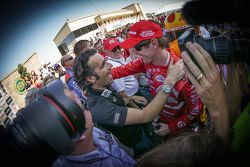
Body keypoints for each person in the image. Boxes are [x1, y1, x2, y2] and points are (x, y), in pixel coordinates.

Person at [73, 48, 185, 156]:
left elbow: (115, 100)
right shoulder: (99, 108)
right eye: (103, 65)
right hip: (138, 141)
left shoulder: (100, 86)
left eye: (106, 61)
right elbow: (146, 115)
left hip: (140, 129)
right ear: (91, 78)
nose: (110, 65)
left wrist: (131, 98)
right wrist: (170, 80)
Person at [112, 20, 203, 137]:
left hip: (182, 132)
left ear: (154, 43)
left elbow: (195, 110)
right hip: (161, 120)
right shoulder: (144, 62)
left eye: (136, 48)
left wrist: (170, 128)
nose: (133, 52)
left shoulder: (182, 72)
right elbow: (120, 71)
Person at [52, 82, 136, 167]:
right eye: (83, 106)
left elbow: (117, 145)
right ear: (76, 133)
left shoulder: (95, 130)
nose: (89, 110)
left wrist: (131, 154)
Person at [103, 37, 147, 108]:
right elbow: (121, 93)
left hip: (136, 93)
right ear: (106, 52)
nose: (117, 51)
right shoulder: (112, 66)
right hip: (132, 98)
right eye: (113, 49)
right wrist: (137, 109)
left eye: (118, 47)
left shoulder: (119, 58)